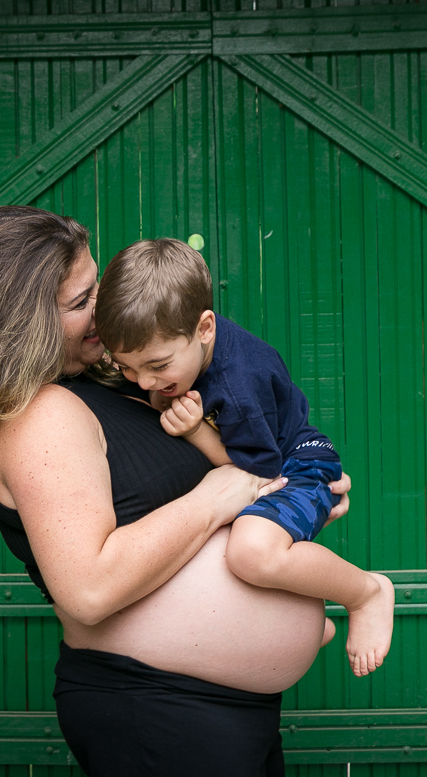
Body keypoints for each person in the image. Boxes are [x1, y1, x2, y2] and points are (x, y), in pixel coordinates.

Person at [0, 205, 352, 776]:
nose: (101, 307)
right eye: (80, 302)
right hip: (157, 711)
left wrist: (295, 499)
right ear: (26, 322)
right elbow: (89, 588)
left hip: (216, 710)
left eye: (96, 285)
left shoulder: (121, 387)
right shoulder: (41, 417)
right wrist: (216, 497)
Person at [95, 237, 395, 678]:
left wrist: (196, 431)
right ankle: (297, 620)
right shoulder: (180, 346)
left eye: (157, 367)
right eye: (126, 367)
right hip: (273, 460)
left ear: (205, 328)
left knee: (252, 552)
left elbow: (256, 474)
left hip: (294, 465)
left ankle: (365, 592)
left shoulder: (239, 383)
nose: (142, 382)